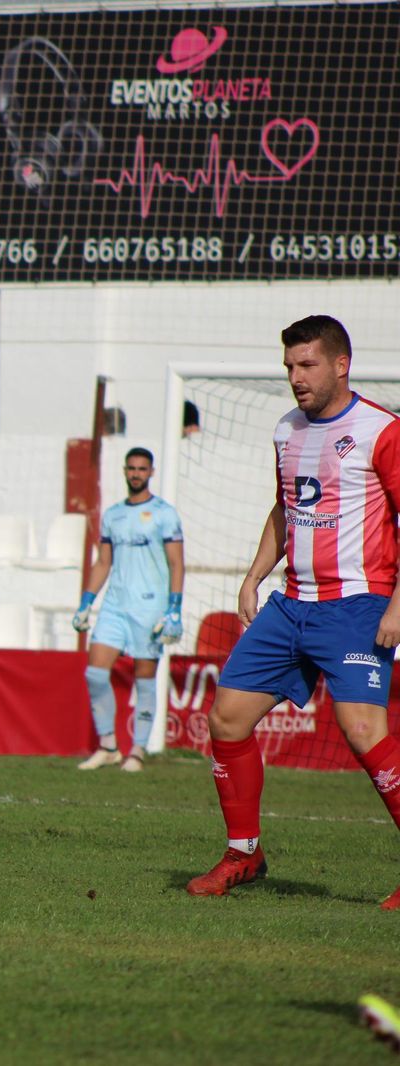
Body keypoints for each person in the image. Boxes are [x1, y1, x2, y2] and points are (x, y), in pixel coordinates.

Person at [187, 315, 400, 903]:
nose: (295, 378)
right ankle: (243, 855)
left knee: (362, 731)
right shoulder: (287, 430)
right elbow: (285, 508)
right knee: (226, 719)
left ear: (340, 364)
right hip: (291, 603)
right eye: (289, 367)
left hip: (357, 604)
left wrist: (397, 606)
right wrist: (254, 576)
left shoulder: (382, 430)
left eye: (306, 365)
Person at [71, 447, 185, 772]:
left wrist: (174, 608)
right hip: (115, 605)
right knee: (95, 672)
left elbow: (177, 564)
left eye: (142, 469)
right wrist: (86, 602)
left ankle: (138, 749)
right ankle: (108, 746)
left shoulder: (165, 513)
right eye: (131, 468)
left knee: (144, 677)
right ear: (125, 471)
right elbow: (103, 562)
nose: (136, 473)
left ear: (150, 472)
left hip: (150, 606)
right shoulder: (113, 515)